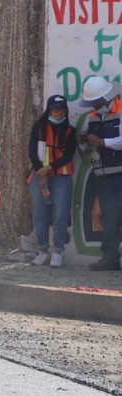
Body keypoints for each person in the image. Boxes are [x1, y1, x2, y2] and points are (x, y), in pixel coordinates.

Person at [25, 93, 76, 267]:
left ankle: (58, 252)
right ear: (49, 110)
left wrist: (48, 168)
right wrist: (40, 169)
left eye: (61, 109)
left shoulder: (70, 130)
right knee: (40, 214)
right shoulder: (39, 126)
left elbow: (69, 155)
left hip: (61, 177)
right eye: (55, 109)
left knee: (60, 215)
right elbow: (32, 150)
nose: (58, 112)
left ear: (65, 110)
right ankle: (43, 251)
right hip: (39, 176)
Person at [77, 75, 122, 271]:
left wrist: (102, 142)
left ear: (105, 99)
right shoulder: (91, 118)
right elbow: (89, 144)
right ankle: (110, 257)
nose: (93, 107)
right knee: (108, 216)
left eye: (95, 103)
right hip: (102, 175)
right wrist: (85, 141)